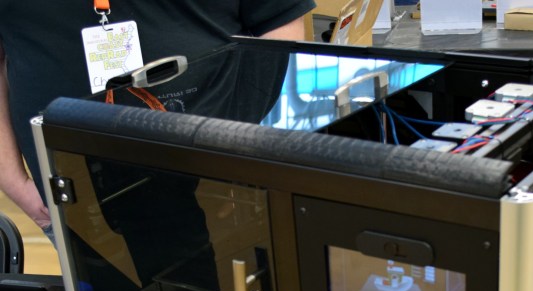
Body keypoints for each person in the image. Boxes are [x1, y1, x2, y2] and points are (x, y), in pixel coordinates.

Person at [0, 0, 315, 242]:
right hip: (75, 198)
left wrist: (245, 151)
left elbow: (279, 18)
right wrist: (16, 184)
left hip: (223, 185)